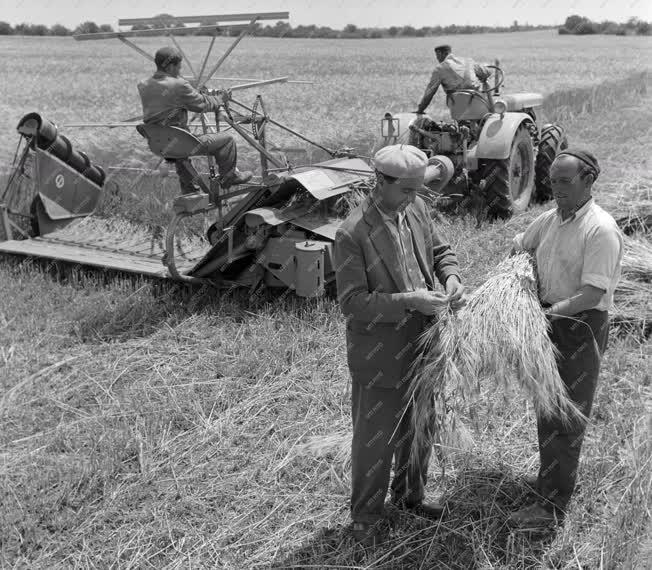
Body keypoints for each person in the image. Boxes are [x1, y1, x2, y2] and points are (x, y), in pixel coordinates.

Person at [334, 144, 465, 547]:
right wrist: (408, 301)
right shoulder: (352, 233)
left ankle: (410, 495)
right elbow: (352, 303)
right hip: (380, 350)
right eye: (406, 190)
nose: (414, 197)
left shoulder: (417, 210)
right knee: (376, 436)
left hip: (425, 341)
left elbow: (441, 252)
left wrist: (451, 279)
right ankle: (366, 516)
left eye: (417, 189)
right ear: (381, 182)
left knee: (421, 421)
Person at [509, 149, 623, 528]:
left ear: (588, 181)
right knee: (547, 407)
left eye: (565, 182)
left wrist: (544, 314)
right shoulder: (550, 220)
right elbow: (520, 244)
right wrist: (521, 277)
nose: (556, 188)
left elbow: (592, 295)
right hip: (548, 323)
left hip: (580, 327)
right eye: (552, 181)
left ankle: (551, 508)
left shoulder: (600, 229)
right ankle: (549, 482)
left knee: (567, 416)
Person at [137, 46, 252, 192]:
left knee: (178, 149)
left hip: (157, 143)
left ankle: (190, 190)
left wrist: (190, 92)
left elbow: (169, 100)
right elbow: (202, 105)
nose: (179, 71)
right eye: (178, 67)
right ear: (171, 66)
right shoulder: (179, 85)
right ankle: (229, 177)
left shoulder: (143, 84)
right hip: (180, 141)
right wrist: (221, 98)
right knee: (227, 140)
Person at [415, 44, 492, 115]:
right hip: (477, 101)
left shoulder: (439, 69)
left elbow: (430, 92)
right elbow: (487, 73)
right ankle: (491, 112)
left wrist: (420, 109)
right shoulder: (468, 61)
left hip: (456, 104)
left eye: (437, 55)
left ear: (443, 53)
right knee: (486, 84)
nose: (437, 58)